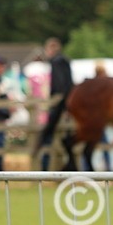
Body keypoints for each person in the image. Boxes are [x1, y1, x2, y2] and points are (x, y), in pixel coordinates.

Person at [32, 38, 76, 171]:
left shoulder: (57, 62)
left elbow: (60, 84)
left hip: (60, 103)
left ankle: (44, 169)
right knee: (63, 137)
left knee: (48, 135)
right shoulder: (64, 60)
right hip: (67, 102)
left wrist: (56, 99)